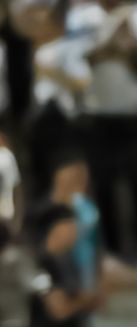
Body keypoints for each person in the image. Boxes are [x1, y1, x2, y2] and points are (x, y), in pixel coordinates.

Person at [83, 0, 137, 266]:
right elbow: (81, 57)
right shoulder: (86, 17)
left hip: (132, 114)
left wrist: (126, 48)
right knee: (103, 184)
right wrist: (111, 47)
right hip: (98, 115)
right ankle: (112, 250)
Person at [26, 0, 90, 197]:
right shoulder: (31, 52)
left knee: (67, 183)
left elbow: (82, 81)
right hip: (37, 124)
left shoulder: (65, 48)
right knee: (43, 184)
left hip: (63, 122)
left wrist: (52, 73)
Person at [26, 202, 104, 327]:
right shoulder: (41, 264)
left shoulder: (66, 263)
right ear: (55, 229)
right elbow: (59, 310)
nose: (75, 232)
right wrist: (87, 299)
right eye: (70, 227)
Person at [48, 152, 99, 289]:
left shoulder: (78, 203)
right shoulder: (61, 204)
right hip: (67, 257)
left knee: (84, 288)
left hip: (81, 256)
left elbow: (89, 223)